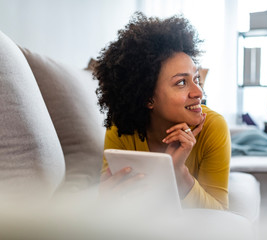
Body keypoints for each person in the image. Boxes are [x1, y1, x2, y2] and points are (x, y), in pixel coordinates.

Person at [94, 12, 231, 210]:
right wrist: (106, 199)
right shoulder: (121, 129)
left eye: (196, 79)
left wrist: (178, 173)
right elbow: (110, 205)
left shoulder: (213, 126)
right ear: (148, 97)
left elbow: (220, 218)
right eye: (182, 82)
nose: (199, 92)